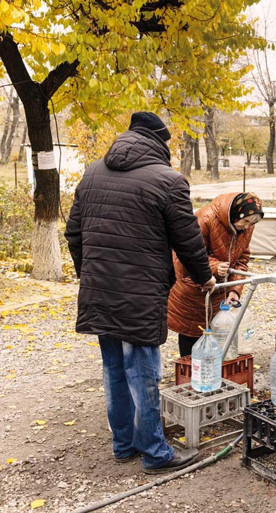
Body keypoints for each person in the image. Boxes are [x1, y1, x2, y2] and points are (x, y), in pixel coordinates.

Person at [64, 112, 216, 474]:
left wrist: (91, 275)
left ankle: (124, 444)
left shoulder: (92, 172)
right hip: (141, 295)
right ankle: (155, 453)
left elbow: (73, 234)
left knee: (114, 369)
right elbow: (188, 240)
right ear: (160, 142)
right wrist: (204, 277)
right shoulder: (168, 180)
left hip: (100, 291)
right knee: (143, 373)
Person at [167, 192, 263, 357]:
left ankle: (213, 368)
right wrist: (214, 267)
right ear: (236, 214)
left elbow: (242, 260)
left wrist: (235, 290)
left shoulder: (245, 227)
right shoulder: (205, 219)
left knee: (218, 331)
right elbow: (188, 255)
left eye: (253, 223)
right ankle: (191, 367)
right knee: (192, 330)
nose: (248, 227)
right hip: (193, 284)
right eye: (246, 221)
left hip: (219, 287)